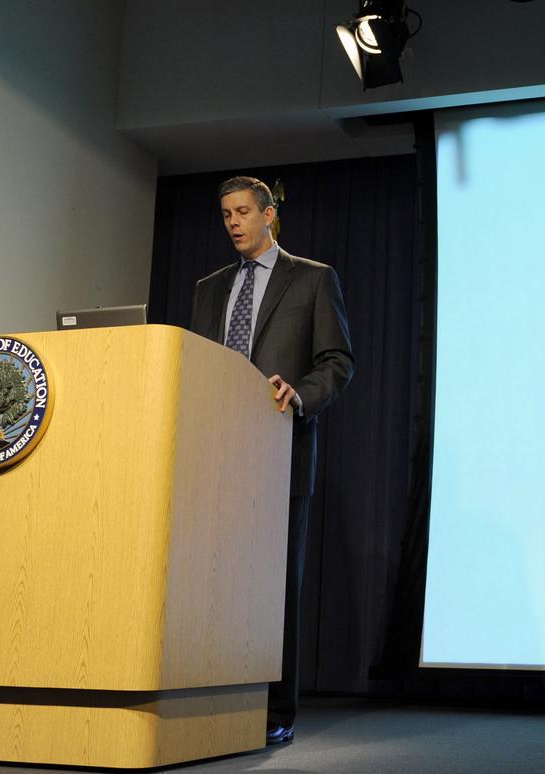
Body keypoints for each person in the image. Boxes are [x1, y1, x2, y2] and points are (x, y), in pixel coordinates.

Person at [189, 176, 354, 745]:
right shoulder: (209, 289)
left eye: (242, 212)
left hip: (279, 456)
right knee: (209, 583)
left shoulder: (312, 279)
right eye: (225, 214)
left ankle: (274, 711)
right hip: (210, 462)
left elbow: (337, 361)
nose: (233, 222)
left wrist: (299, 395)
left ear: (268, 215)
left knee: (274, 588)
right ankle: (208, 700)